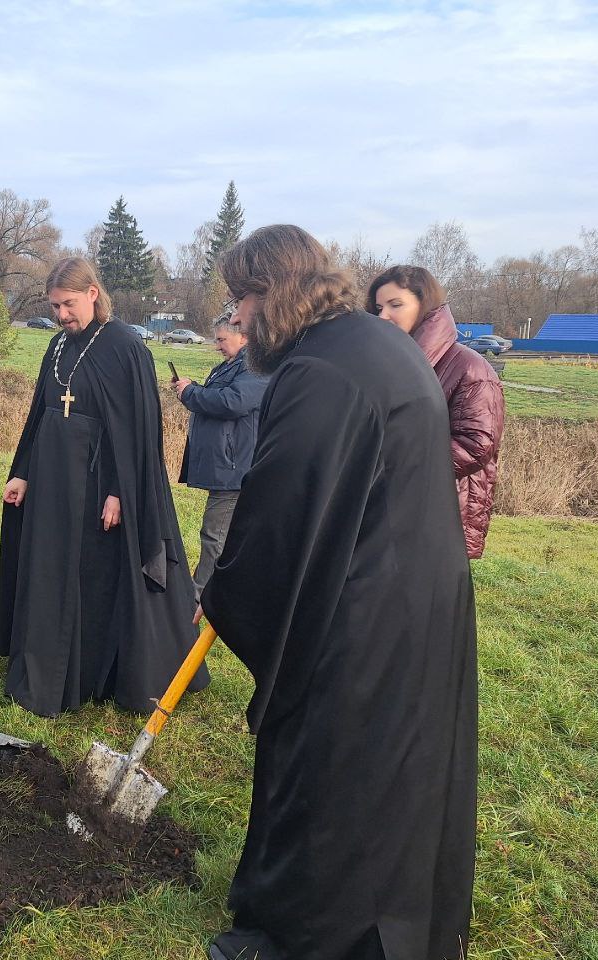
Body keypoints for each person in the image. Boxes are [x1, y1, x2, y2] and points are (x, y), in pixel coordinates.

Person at [196, 225, 476, 960]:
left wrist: (224, 593)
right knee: (394, 766)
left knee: (335, 762)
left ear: (273, 293)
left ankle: (315, 936)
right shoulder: (366, 343)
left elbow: (282, 510)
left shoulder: (321, 370)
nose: (239, 321)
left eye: (241, 301)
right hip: (413, 589)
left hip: (365, 604)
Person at [0, 257, 208, 717]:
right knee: (51, 567)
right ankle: (45, 655)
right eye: (54, 306)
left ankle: (95, 670)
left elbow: (135, 430)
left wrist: (118, 490)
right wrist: (24, 471)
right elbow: (40, 417)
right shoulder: (56, 346)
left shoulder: (125, 347)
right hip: (53, 483)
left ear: (93, 293)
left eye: (68, 304)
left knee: (92, 576)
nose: (61, 315)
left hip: (97, 487)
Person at [369, 266, 506, 559]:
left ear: (424, 306)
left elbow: (476, 445)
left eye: (396, 305)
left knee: (425, 599)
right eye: (379, 308)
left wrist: (397, 465)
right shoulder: (389, 361)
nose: (383, 317)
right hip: (391, 501)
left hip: (442, 506)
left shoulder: (469, 367)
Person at [171, 316, 268, 593]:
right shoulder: (231, 366)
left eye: (222, 339)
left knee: (215, 535)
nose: (217, 346)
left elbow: (232, 402)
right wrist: (191, 388)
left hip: (235, 469)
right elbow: (219, 395)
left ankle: (200, 597)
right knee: (222, 535)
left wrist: (191, 393)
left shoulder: (255, 367)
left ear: (244, 337)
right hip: (227, 466)